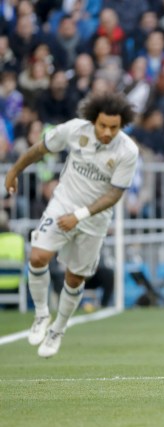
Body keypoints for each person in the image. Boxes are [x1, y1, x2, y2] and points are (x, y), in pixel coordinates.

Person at [3, 92, 138, 358]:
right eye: (103, 126)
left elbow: (115, 193)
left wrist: (80, 215)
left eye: (114, 127)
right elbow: (40, 149)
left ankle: (57, 330)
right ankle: (41, 314)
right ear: (93, 120)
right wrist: (13, 170)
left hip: (94, 220)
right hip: (63, 204)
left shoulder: (127, 150)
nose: (108, 132)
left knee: (75, 277)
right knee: (39, 255)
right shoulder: (74, 130)